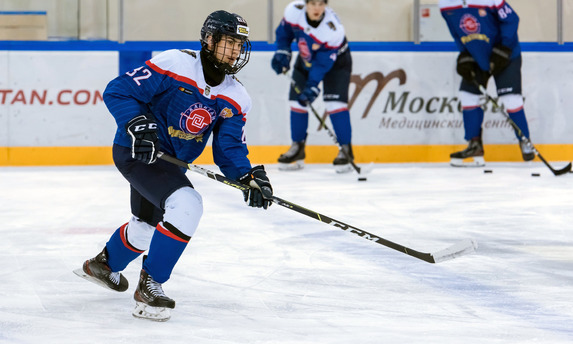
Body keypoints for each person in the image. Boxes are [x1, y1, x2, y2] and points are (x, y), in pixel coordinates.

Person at [75, 10, 273, 322]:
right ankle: (150, 285)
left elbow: (229, 148)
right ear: (209, 40)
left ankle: (103, 265)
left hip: (170, 165)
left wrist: (247, 175)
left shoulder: (236, 96)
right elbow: (119, 91)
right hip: (137, 152)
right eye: (229, 42)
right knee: (187, 204)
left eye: (239, 45)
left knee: (145, 228)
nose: (235, 50)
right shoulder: (176, 64)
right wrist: (139, 125)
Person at [439, 0, 535, 167]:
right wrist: (464, 54)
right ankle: (474, 145)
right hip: (477, 56)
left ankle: (525, 141)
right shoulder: (444, 4)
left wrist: (504, 47)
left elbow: (512, 20)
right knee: (468, 95)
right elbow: (456, 31)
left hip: (506, 55)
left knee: (510, 98)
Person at [271, 0, 353, 172]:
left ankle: (346, 150)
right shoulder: (294, 11)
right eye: (313, 3)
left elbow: (322, 64)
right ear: (305, 4)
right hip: (306, 56)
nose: (317, 8)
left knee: (335, 105)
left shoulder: (332, 29)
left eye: (321, 4)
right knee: (296, 102)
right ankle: (297, 148)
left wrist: (313, 86)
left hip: (337, 62)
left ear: (326, 5)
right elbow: (284, 33)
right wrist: (282, 51)